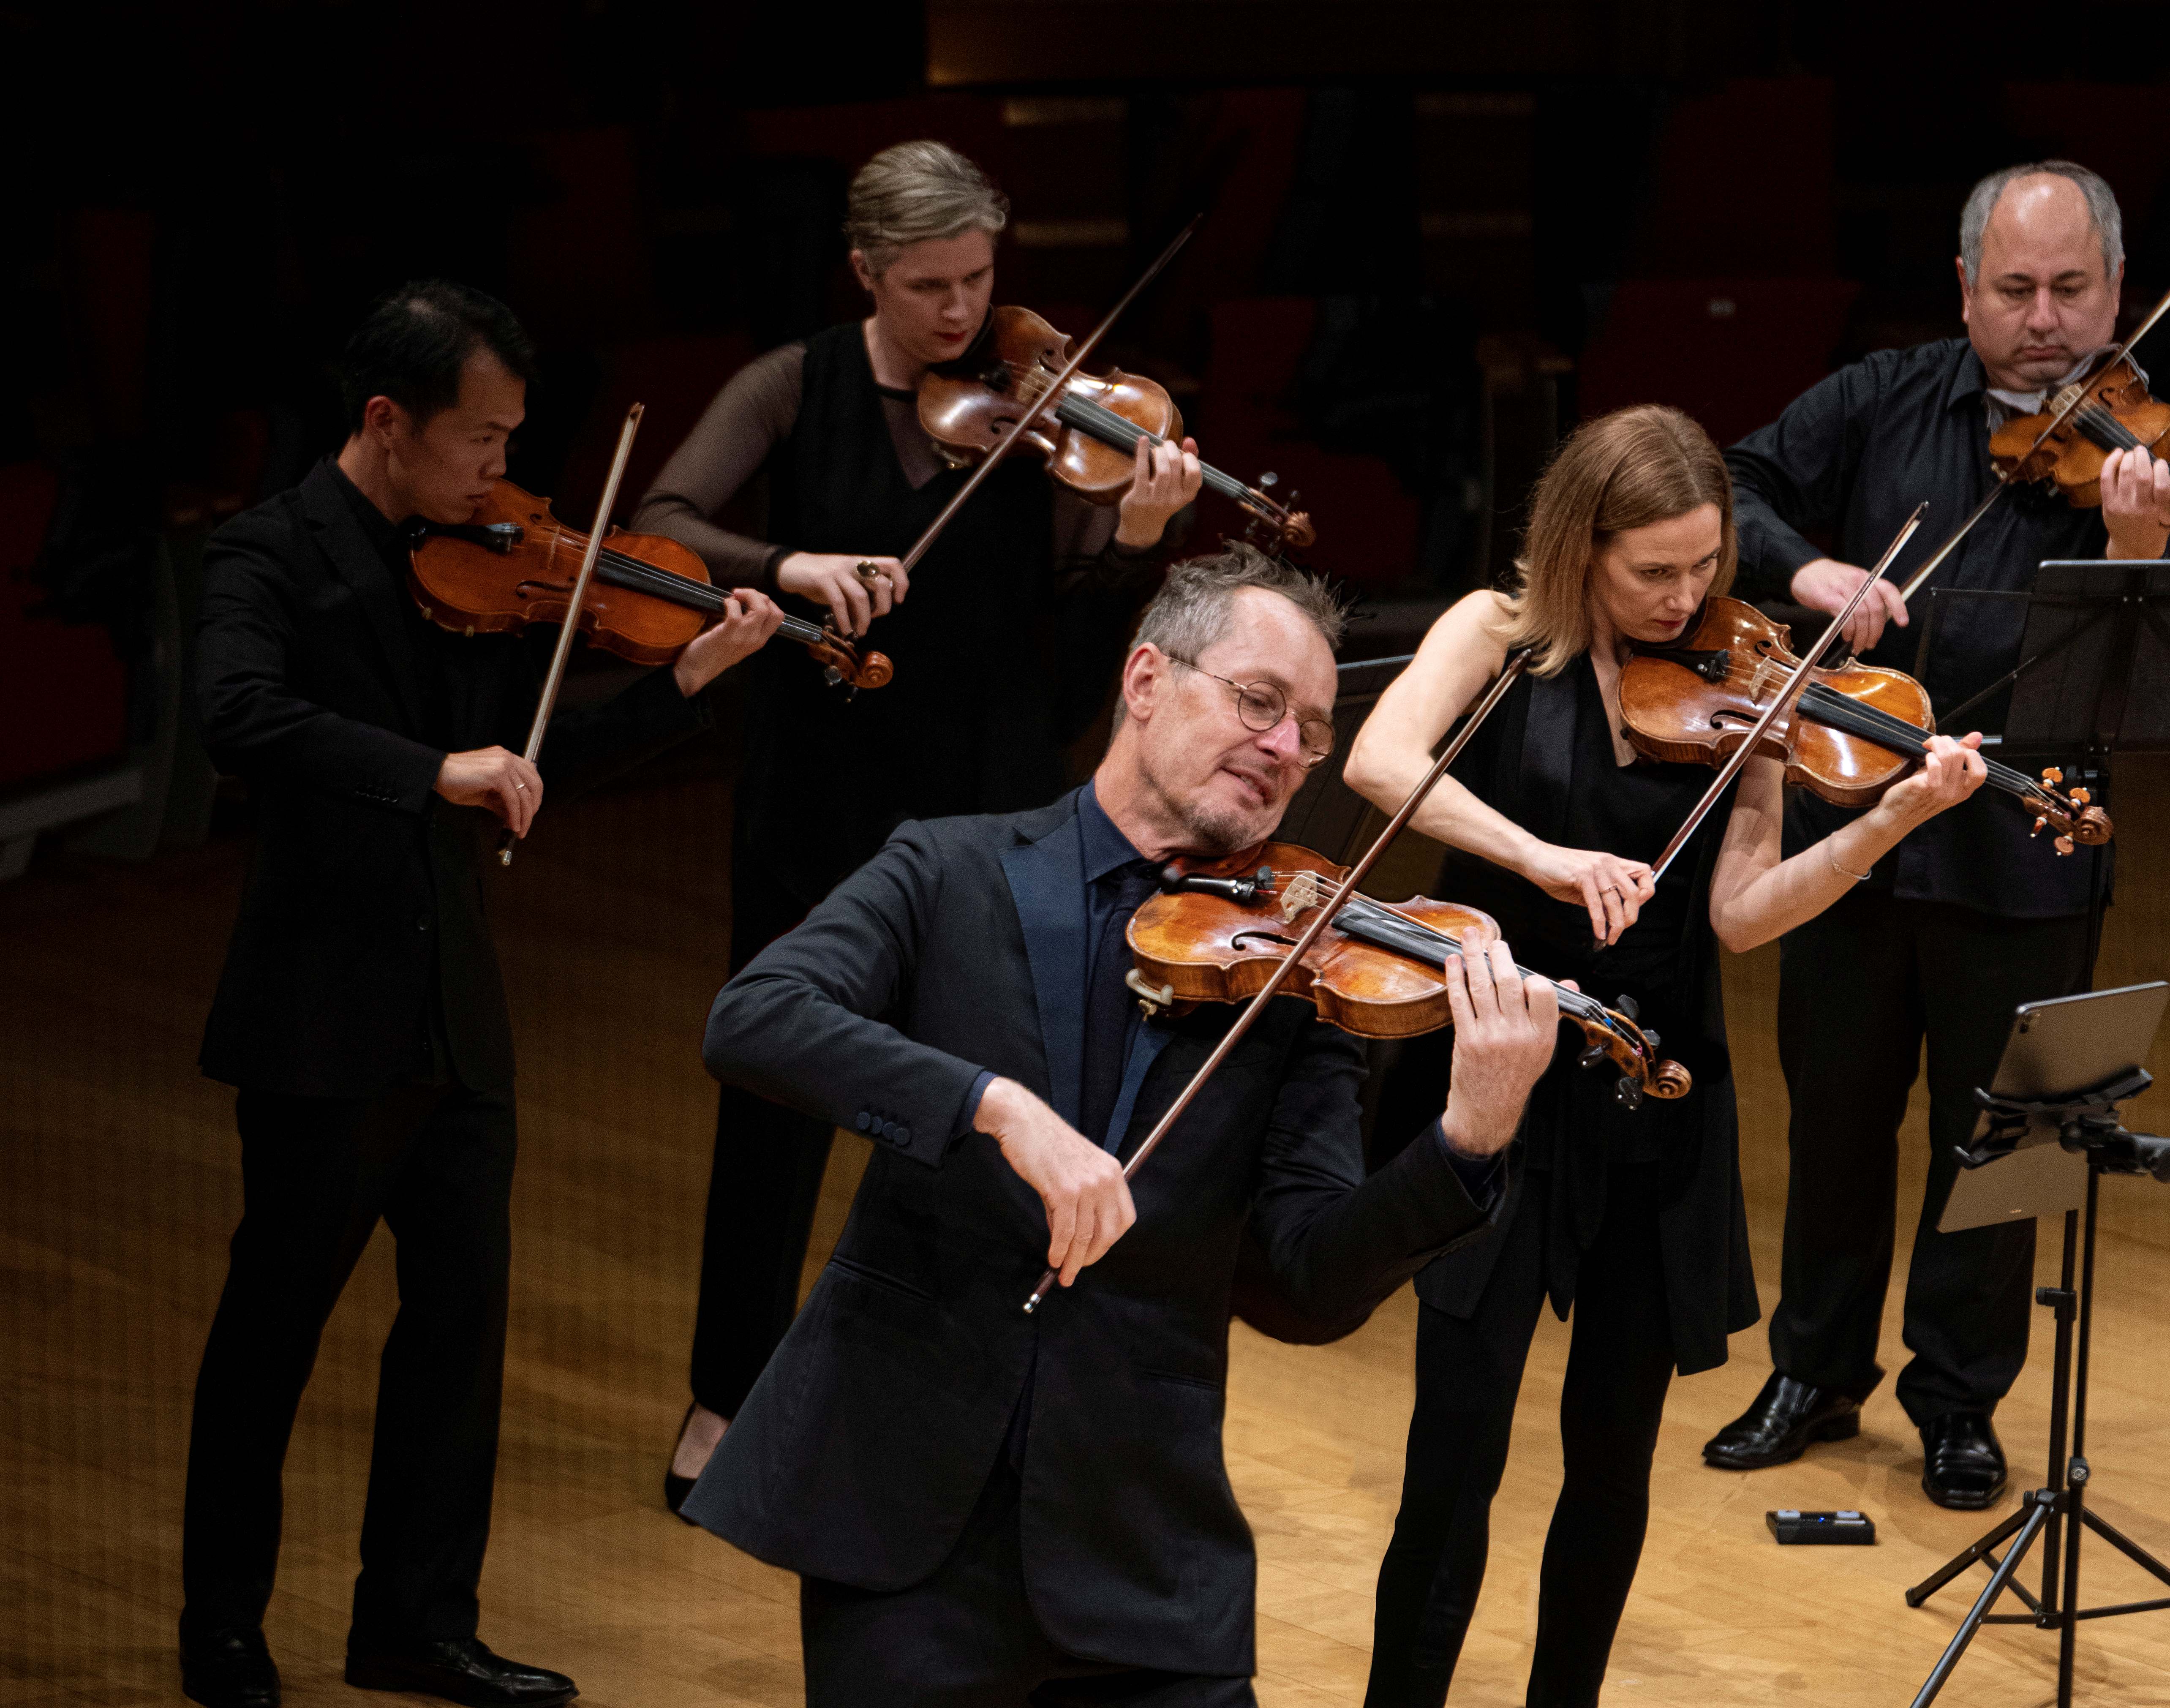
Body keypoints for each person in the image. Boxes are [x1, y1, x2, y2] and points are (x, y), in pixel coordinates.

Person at [682, 545, 1557, 1705]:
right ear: (1145, 680)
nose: (1288, 748)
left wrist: (1467, 1140)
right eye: (1258, 701)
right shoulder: (950, 868)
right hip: (902, 1522)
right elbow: (754, 1018)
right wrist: (992, 1108)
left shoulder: (1297, 979)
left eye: (1309, 727)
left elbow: (1303, 1283)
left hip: (1142, 1547)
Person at [178, 280, 781, 1708]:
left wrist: (689, 675)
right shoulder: (269, 553)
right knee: (272, 1332)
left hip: (456, 1007)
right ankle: (220, 1627)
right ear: (387, 422)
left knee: (456, 1334)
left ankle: (414, 1622)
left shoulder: (484, 559)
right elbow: (240, 715)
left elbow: (524, 760)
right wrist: (424, 772)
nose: (501, 472)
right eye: (481, 440)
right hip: (320, 1013)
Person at [1339, 404, 1987, 1706]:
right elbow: (1376, 758)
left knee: (1612, 1459)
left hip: (1653, 1085)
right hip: (1496, 1078)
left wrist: (1888, 822)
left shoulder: (1736, 688)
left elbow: (1741, 916)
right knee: (1453, 1453)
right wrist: (1542, 858)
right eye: (1654, 571)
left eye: (1705, 565)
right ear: (1582, 546)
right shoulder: (1494, 633)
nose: (1686, 595)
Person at [634, 139, 1201, 1508]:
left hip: (983, 797)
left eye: (979, 277)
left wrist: (1136, 532)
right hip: (817, 791)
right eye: (930, 284)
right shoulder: (799, 383)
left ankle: (981, 1389)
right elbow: (662, 520)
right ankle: (727, 1392)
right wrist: (790, 564)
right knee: (772, 1101)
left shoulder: (1035, 401)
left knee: (997, 1092)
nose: (963, 311)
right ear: (868, 273)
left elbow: (1070, 632)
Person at [1702, 160, 2170, 1508]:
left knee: (2009, 1134)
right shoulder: (1880, 396)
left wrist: (2141, 556)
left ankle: (1958, 1401)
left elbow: (2147, 687)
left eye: (2070, 290)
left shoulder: (2147, 451)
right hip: (1850, 823)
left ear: (2117, 290)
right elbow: (1725, 487)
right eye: (2013, 289)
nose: (2044, 322)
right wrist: (1807, 569)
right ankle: (1812, 1370)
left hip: (2028, 841)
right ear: (1963, 289)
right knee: (1834, 1114)